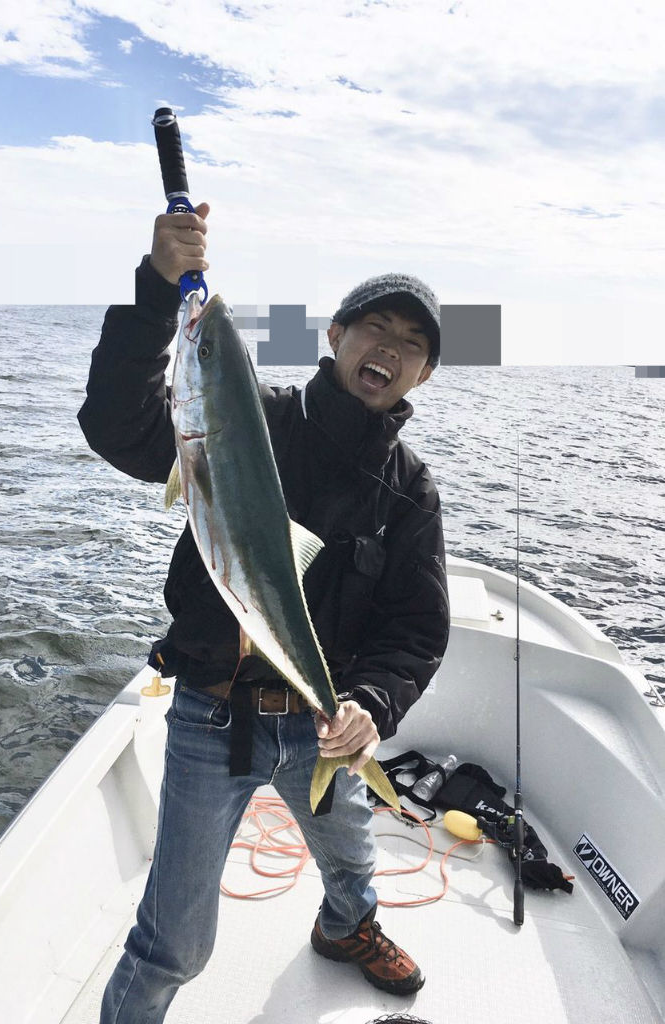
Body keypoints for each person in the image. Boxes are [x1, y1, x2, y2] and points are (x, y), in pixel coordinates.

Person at [78, 202, 450, 1023]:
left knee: (351, 857)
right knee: (173, 941)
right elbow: (115, 426)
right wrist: (155, 293)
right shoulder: (252, 420)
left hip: (324, 722)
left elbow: (416, 630)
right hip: (215, 721)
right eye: (374, 328)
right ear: (335, 337)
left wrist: (372, 708)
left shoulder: (412, 490)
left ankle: (347, 927)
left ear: (422, 375)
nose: (388, 349)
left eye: (411, 345)